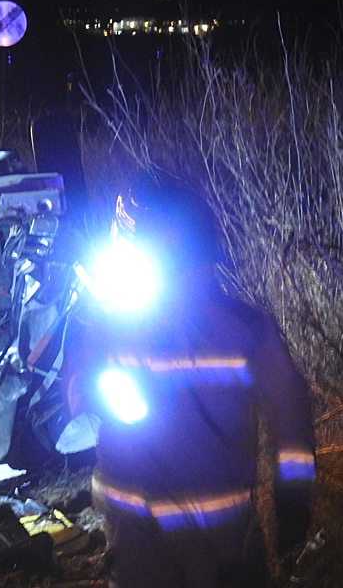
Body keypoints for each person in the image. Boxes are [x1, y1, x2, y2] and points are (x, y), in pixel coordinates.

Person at [65, 179, 315, 587]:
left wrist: (292, 499)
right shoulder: (244, 329)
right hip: (199, 542)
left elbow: (75, 399)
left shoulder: (111, 332)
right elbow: (292, 414)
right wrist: (293, 502)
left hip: (155, 546)